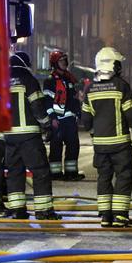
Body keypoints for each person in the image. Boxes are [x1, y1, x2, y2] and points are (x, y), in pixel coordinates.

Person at [80, 47, 132, 228]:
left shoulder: (90, 89)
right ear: (112, 65)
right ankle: (120, 216)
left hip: (100, 147)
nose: (120, 67)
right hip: (120, 145)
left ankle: (105, 216)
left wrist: (96, 135)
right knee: (123, 176)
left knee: (104, 178)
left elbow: (86, 120)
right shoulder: (121, 86)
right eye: (118, 64)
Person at [3, 52, 60, 220]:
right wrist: (47, 125)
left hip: (9, 136)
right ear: (25, 64)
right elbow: (38, 108)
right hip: (28, 136)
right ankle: (43, 211)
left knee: (14, 173)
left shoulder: (3, 83)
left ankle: (17, 210)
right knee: (40, 171)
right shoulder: (29, 80)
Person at [43, 50, 84, 181]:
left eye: (65, 60)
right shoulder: (50, 81)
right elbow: (47, 102)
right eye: (61, 61)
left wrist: (78, 113)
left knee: (73, 146)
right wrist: (53, 118)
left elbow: (73, 99)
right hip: (58, 121)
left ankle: (71, 173)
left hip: (70, 119)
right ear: (55, 63)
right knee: (56, 148)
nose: (64, 63)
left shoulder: (68, 78)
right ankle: (55, 173)